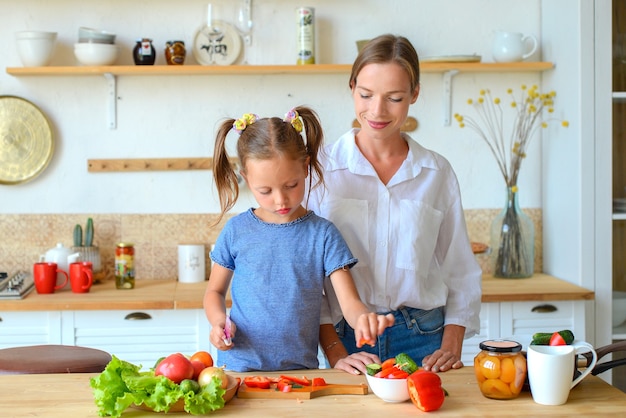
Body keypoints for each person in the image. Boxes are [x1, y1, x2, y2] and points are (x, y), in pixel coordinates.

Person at [309, 34, 482, 375]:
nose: (377, 111)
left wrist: (451, 345)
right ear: (351, 86)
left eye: (395, 98)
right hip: (345, 341)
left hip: (425, 338)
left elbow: (460, 269)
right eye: (366, 94)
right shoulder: (320, 170)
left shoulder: (436, 173)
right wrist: (334, 351)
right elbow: (308, 273)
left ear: (414, 94)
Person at [204, 106, 395, 372]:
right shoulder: (236, 230)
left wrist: (364, 318)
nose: (280, 200)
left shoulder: (323, 234)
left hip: (300, 372)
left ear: (306, 167)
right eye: (265, 190)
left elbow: (349, 302)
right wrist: (218, 322)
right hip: (238, 369)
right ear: (246, 177)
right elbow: (214, 292)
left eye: (291, 186)